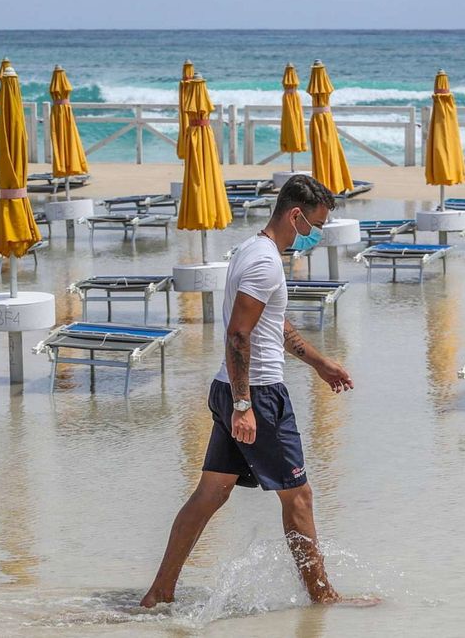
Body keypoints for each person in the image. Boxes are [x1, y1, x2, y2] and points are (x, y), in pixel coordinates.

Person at [141, 175, 353, 608]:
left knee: (211, 493)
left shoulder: (252, 251)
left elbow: (271, 324)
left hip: (232, 388)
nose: (314, 236)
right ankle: (324, 598)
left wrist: (318, 363)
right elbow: (239, 335)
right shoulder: (265, 262)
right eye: (314, 225)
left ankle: (159, 593)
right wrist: (244, 406)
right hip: (256, 394)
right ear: (295, 215)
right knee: (299, 497)